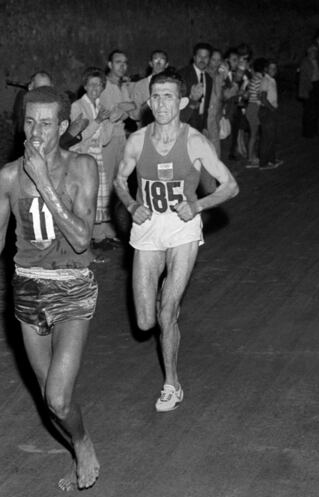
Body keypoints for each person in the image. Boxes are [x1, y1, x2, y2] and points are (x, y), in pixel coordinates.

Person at [0, 86, 100, 492]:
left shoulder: (83, 167)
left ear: (62, 126)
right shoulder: (8, 177)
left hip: (73, 287)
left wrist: (43, 181)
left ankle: (83, 442)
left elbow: (81, 239)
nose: (35, 132)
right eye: (29, 122)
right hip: (27, 290)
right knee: (48, 399)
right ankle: (78, 445)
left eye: (45, 123)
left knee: (59, 398)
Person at [113, 70, 239, 412]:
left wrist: (197, 205)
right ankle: (169, 309)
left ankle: (172, 384)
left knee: (166, 312)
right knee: (145, 321)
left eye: (169, 96)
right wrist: (131, 205)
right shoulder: (136, 141)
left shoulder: (196, 141)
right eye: (156, 96)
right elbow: (119, 180)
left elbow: (230, 186)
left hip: (183, 229)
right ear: (148, 101)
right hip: (148, 226)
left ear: (182, 102)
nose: (161, 103)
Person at [98, 50, 136, 242]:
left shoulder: (123, 86)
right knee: (104, 184)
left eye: (125, 62)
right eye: (118, 62)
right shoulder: (103, 85)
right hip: (107, 138)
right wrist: (125, 107)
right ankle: (99, 232)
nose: (123, 66)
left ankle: (113, 227)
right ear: (110, 64)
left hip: (121, 137)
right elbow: (113, 113)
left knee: (120, 182)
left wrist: (124, 107)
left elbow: (132, 109)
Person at [66, 68, 113, 229]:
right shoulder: (77, 106)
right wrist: (98, 121)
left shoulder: (102, 106)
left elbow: (105, 140)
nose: (95, 89)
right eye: (92, 85)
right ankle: (82, 236)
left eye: (99, 85)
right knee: (84, 199)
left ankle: (96, 236)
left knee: (97, 199)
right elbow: (78, 137)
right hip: (82, 156)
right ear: (85, 86)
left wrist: (111, 120)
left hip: (97, 156)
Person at [179, 43, 214, 133]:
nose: (202, 60)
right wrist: (192, 100)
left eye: (206, 57)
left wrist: (205, 126)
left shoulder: (209, 78)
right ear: (194, 57)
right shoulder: (183, 74)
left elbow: (207, 104)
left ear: (209, 59)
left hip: (201, 123)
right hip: (186, 121)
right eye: (200, 56)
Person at [131, 50, 169, 128]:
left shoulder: (172, 85)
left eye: (162, 59)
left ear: (167, 64)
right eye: (155, 59)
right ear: (151, 63)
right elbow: (135, 115)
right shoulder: (140, 85)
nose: (158, 63)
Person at [258, 60, 283, 170]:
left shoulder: (272, 80)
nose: (273, 70)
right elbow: (263, 98)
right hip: (267, 111)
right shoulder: (265, 80)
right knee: (267, 137)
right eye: (271, 68)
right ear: (266, 69)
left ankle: (271, 159)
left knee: (272, 136)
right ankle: (263, 162)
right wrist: (272, 109)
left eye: (275, 68)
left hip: (270, 110)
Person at [298, 45, 319, 137]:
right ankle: (307, 131)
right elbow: (304, 77)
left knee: (316, 109)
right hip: (310, 87)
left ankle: (314, 129)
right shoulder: (305, 62)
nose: (315, 53)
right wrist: (308, 87)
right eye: (313, 51)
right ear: (309, 52)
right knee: (309, 110)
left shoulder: (317, 60)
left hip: (318, 85)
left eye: (315, 52)